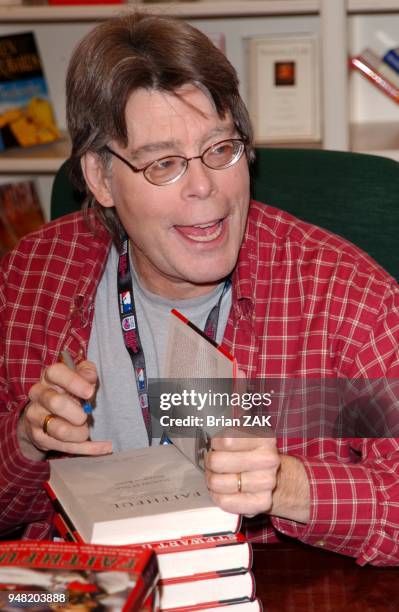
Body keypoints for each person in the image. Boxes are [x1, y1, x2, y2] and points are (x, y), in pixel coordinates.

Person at [0, 11, 398, 567]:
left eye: (220, 149)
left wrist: (287, 485)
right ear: (99, 178)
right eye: (164, 164)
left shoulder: (342, 295)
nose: (205, 186)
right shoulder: (33, 277)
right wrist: (24, 441)